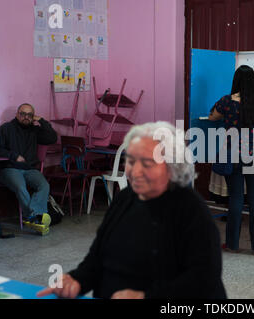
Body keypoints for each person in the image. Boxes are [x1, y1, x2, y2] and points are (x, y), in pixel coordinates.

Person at [37, 122, 226, 299]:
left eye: (147, 164)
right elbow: (98, 257)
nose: (135, 172)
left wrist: (145, 297)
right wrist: (77, 279)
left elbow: (203, 281)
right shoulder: (125, 198)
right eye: (130, 161)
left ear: (172, 167)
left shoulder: (191, 210)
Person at [208, 65, 254, 255]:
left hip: (233, 154)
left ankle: (232, 244)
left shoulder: (227, 101)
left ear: (235, 81)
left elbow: (212, 117)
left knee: (235, 198)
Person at [0, 103, 57, 236]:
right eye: (23, 114)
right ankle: (34, 217)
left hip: (29, 169)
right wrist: (14, 156)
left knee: (44, 185)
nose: (26, 117)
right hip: (10, 169)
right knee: (21, 187)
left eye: (29, 115)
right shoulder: (6, 129)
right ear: (17, 114)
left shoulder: (34, 130)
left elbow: (52, 138)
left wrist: (41, 121)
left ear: (33, 117)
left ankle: (33, 216)